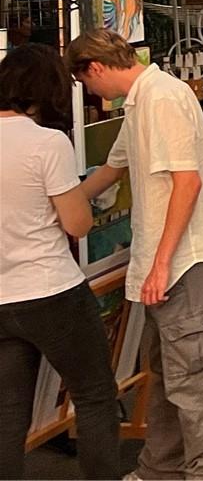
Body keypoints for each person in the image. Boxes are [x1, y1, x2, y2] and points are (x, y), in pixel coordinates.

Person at [72, 30, 203, 479]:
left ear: (95, 67)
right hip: (171, 258)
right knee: (168, 374)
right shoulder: (144, 100)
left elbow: (188, 183)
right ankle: (161, 468)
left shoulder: (161, 99)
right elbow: (113, 168)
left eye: (86, 83)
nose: (91, 94)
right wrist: (63, 204)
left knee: (195, 380)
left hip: (184, 258)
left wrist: (161, 261)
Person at [0, 46, 120, 480]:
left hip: (2, 299)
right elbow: (78, 224)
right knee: (93, 395)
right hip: (51, 290)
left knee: (9, 411)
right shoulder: (47, 143)